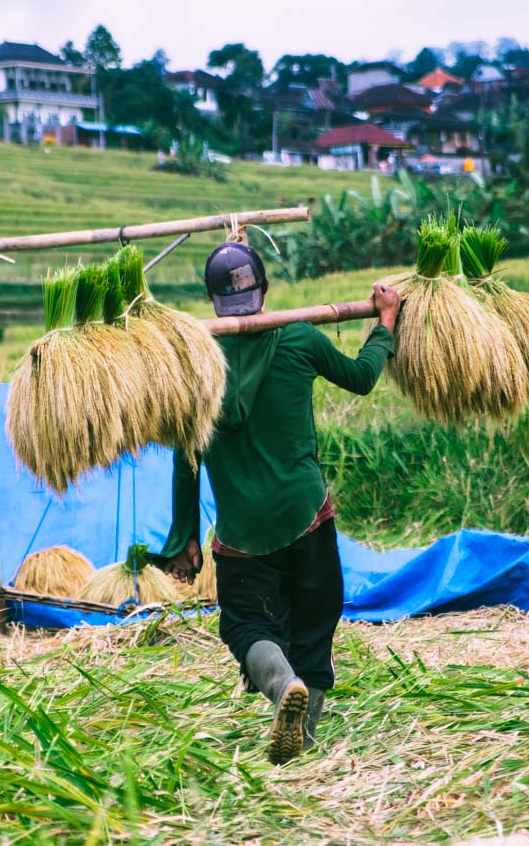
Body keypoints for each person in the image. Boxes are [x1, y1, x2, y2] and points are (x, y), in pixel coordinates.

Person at [157, 240, 400, 764]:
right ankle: (302, 737)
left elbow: (185, 457)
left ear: (212, 300)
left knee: (246, 626)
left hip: (242, 531)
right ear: (264, 289)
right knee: (313, 623)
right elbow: (361, 378)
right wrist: (384, 322)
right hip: (305, 514)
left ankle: (281, 684)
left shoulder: (197, 367)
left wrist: (184, 539)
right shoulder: (299, 336)